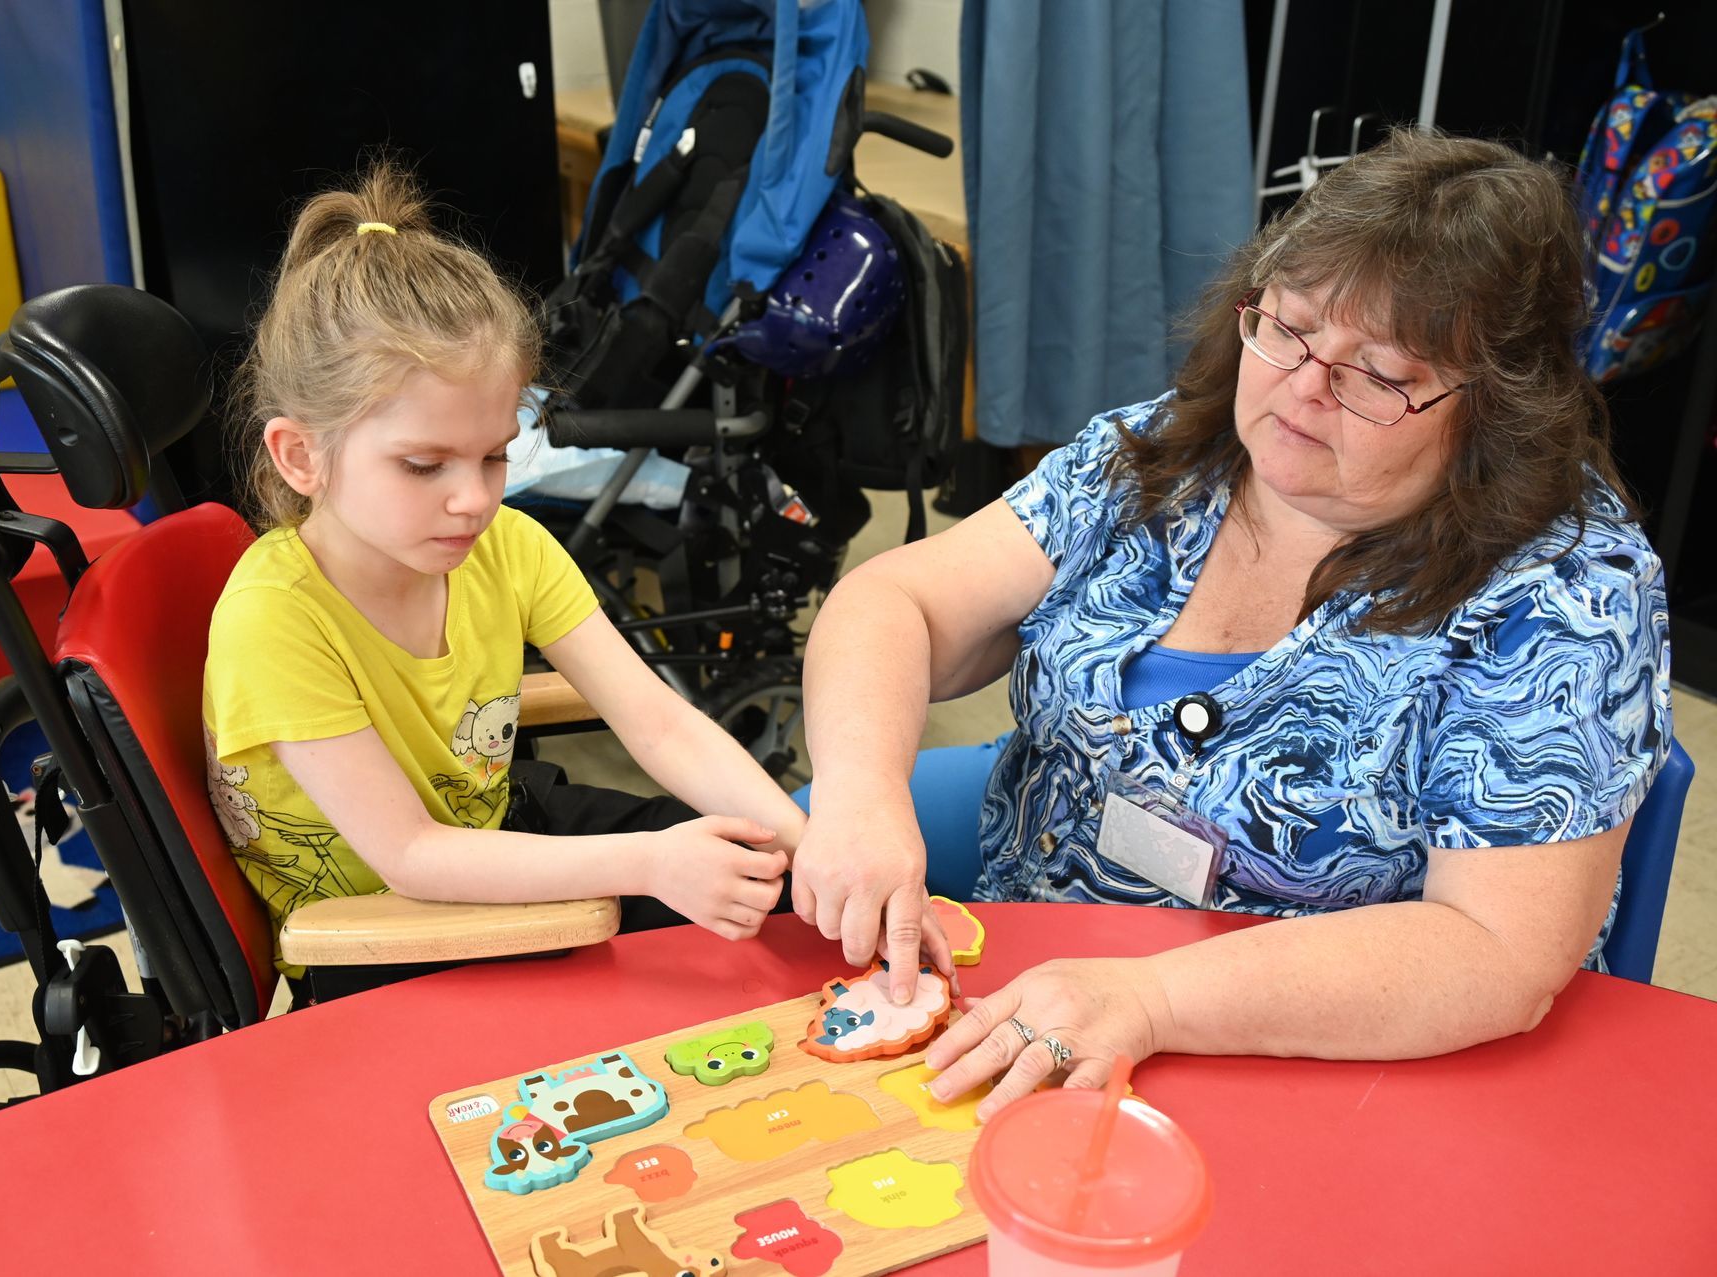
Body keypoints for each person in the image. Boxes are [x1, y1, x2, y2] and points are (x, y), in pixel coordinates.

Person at [791, 128, 1671, 1117]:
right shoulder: (1173, 445)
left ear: (1498, 411)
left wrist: (1150, 996)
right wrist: (862, 790)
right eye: (1288, 328)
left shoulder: (1567, 591)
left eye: (1378, 375)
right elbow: (897, 599)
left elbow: (1493, 950)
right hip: (1030, 969)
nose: (1304, 386)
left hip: (1320, 1058)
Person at [202, 163, 806, 981]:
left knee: (766, 876)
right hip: (383, 940)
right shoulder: (273, 619)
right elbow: (411, 856)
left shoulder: (509, 546)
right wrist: (650, 863)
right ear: (301, 455)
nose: (472, 501)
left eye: (492, 457)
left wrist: (806, 843)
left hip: (487, 837)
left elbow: (661, 725)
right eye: (424, 466)